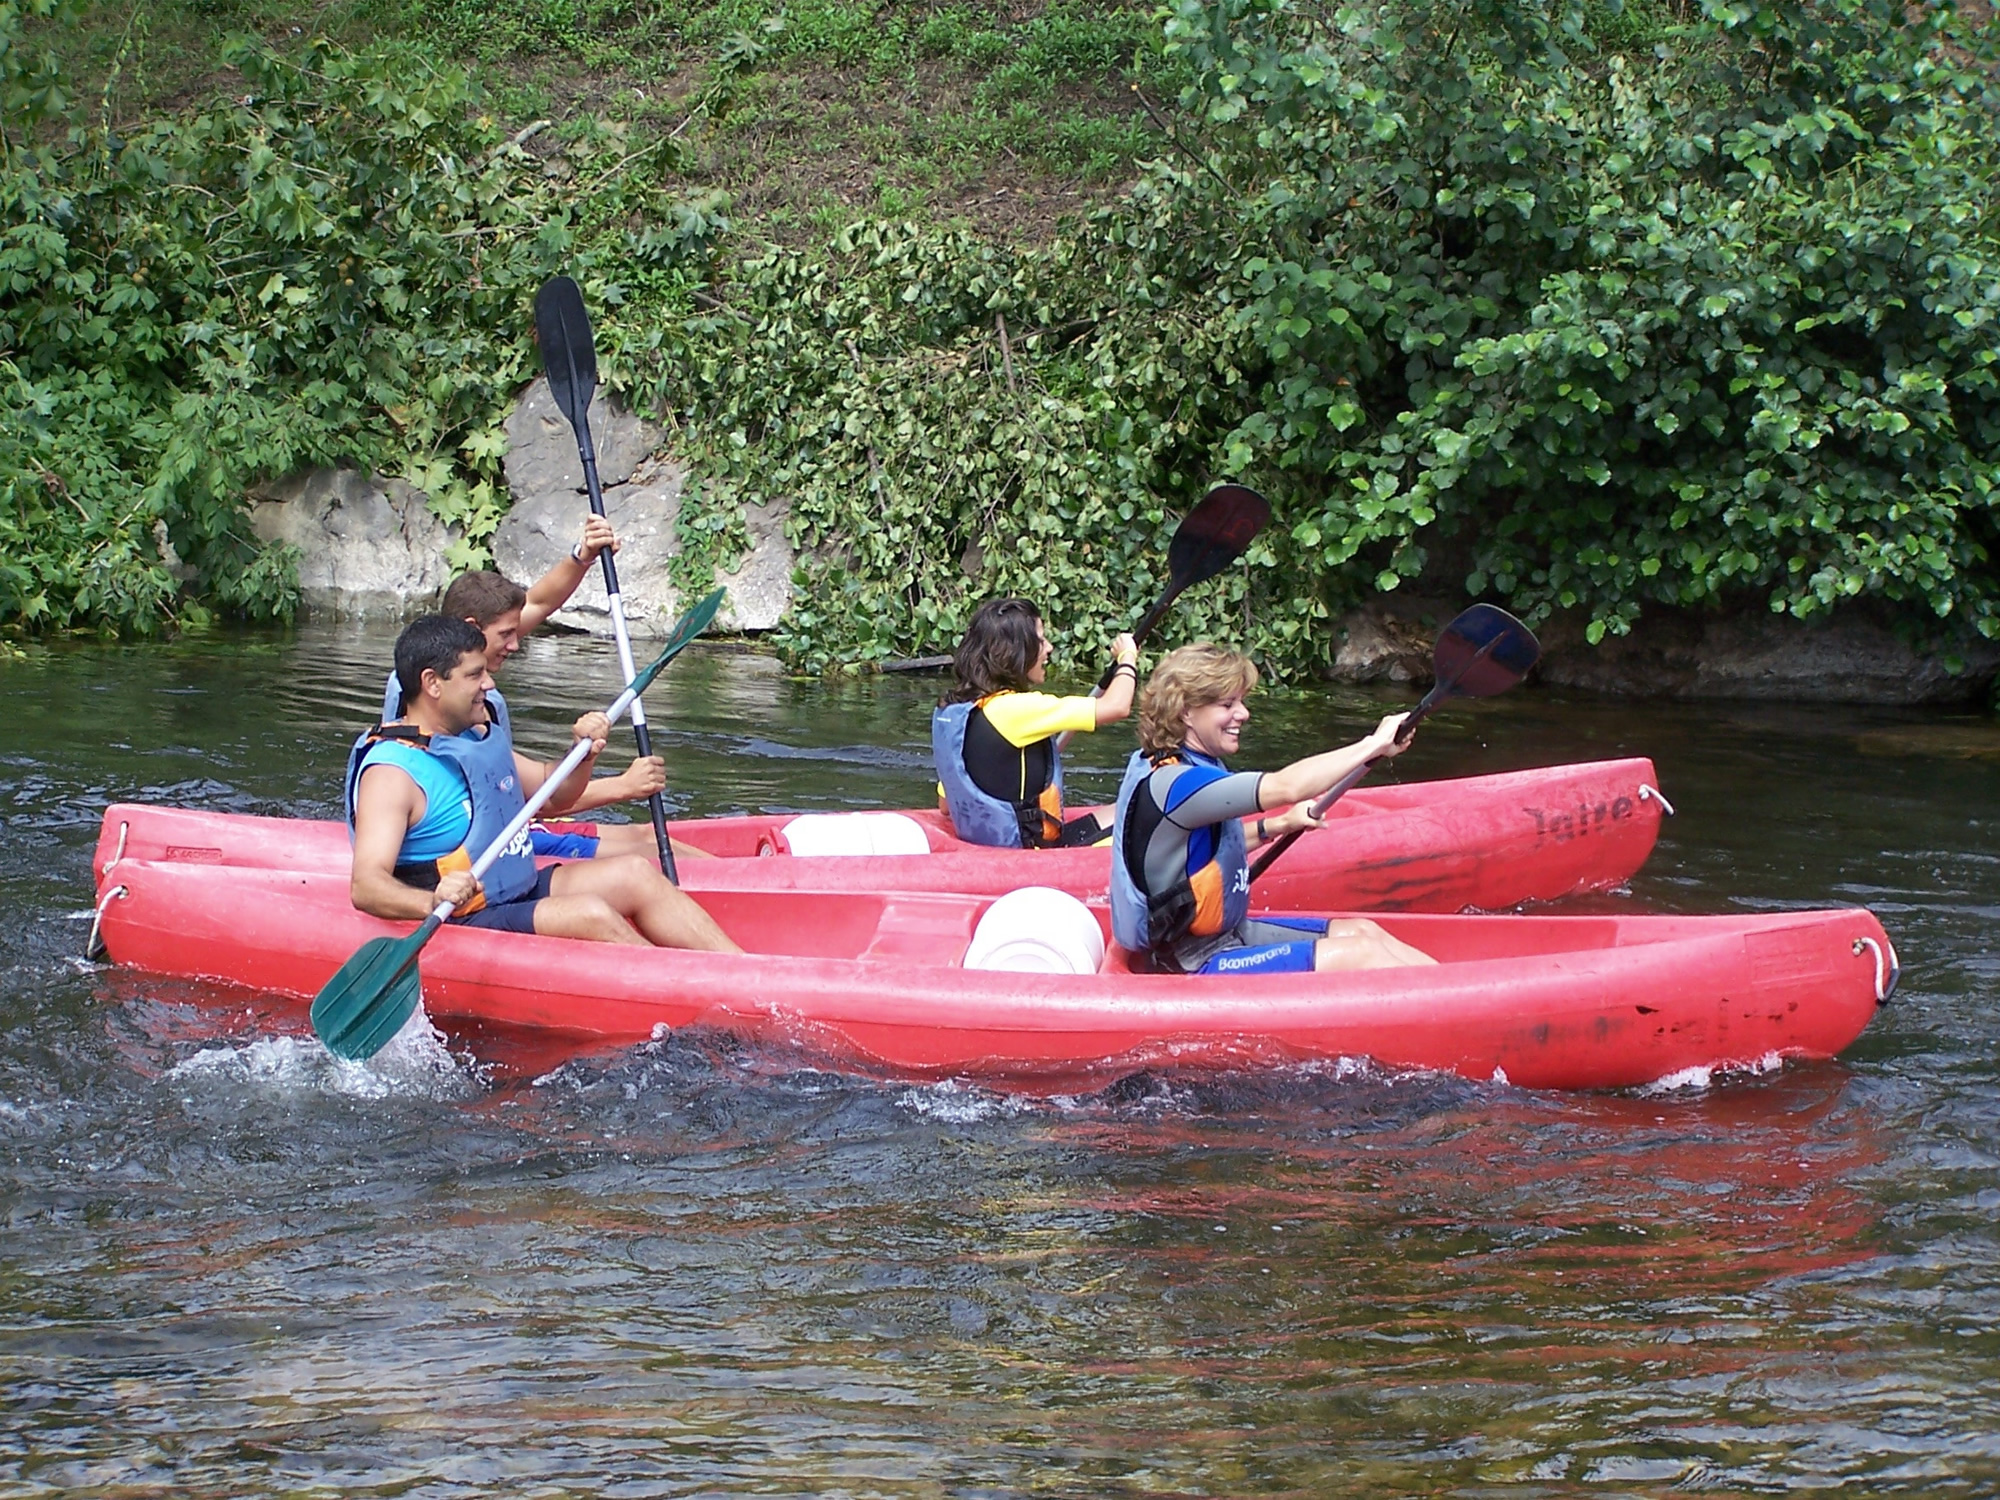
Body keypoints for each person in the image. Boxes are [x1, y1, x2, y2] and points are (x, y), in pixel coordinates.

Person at [348, 615, 739, 951]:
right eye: (474, 674)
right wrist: (430, 900)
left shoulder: (470, 739)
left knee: (634, 873)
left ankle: (744, 972)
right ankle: (693, 992)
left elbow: (555, 796)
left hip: (513, 890)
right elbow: (367, 886)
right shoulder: (393, 774)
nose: (488, 684)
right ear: (433, 683)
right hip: (462, 917)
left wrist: (583, 754)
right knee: (590, 913)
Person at [381, 514, 705, 864]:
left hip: (511, 824)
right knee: (649, 851)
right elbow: (527, 795)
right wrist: (622, 786)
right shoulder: (441, 703)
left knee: (648, 836)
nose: (516, 643)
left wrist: (583, 556)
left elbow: (538, 602)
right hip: (484, 847)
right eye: (506, 634)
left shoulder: (459, 672)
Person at [1111, 642, 1436, 975]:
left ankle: (1462, 997)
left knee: (1364, 931)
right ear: (1185, 712)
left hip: (1225, 936)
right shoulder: (1177, 784)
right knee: (1363, 956)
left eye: (1241, 701)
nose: (1243, 713)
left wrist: (1277, 825)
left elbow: (1207, 851)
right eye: (1227, 704)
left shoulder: (1190, 763)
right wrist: (1373, 744)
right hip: (1191, 961)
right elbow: (1288, 786)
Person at [932, 598, 1140, 848]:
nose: (1049, 648)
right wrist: (1127, 657)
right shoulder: (1017, 709)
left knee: (1124, 807)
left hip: (987, 846)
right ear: (1015, 651)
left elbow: (946, 806)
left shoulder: (954, 711)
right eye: (1040, 640)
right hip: (1027, 851)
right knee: (1142, 814)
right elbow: (1117, 706)